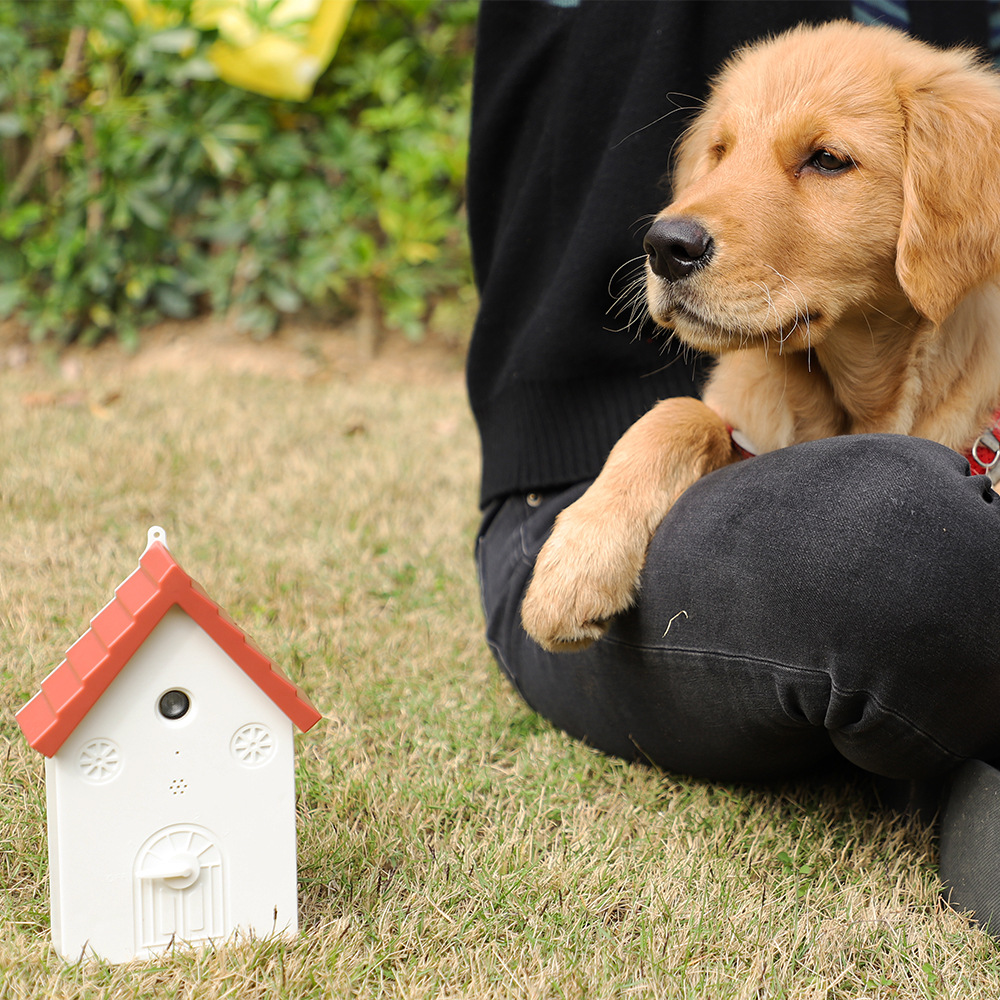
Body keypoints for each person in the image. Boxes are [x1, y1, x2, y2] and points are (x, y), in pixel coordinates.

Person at [465, 0, 1000, 935]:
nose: (684, 224)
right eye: (719, 151)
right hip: (585, 496)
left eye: (824, 160)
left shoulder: (949, 114)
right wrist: (659, 453)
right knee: (906, 531)